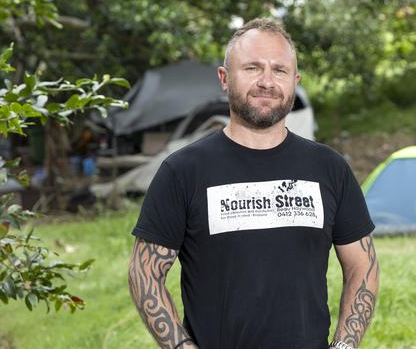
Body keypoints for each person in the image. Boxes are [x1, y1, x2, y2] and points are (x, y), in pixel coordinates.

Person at [128, 18, 379, 349]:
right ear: (224, 78)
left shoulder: (329, 168)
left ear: (295, 81)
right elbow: (145, 276)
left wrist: (345, 345)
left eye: (279, 70)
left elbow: (362, 265)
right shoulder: (183, 171)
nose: (266, 81)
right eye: (252, 68)